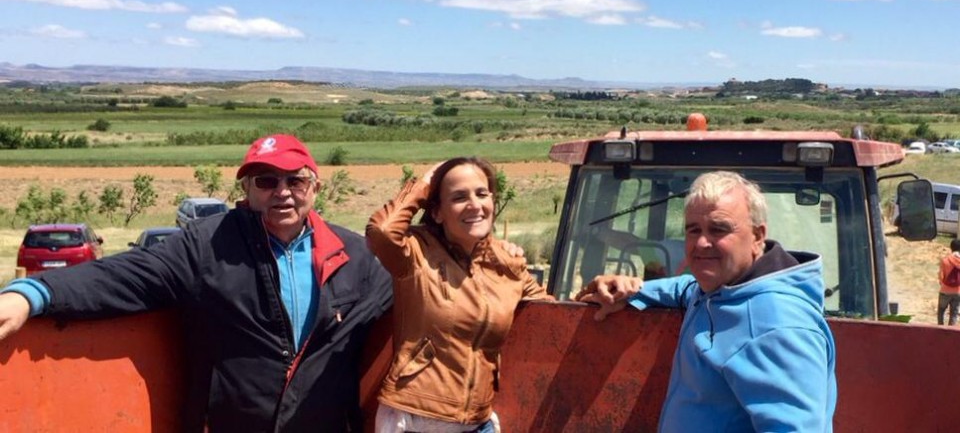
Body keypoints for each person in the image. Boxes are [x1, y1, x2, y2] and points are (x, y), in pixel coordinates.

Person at [0, 134, 393, 432]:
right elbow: (125, 275)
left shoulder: (357, 256)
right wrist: (32, 294)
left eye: (296, 180)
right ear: (247, 191)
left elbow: (421, 292)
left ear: (316, 188)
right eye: (266, 181)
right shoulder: (206, 245)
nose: (283, 192)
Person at [577, 171, 837, 432]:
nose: (702, 242)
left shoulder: (779, 326)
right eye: (693, 230)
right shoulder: (722, 291)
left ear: (757, 237)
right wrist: (633, 290)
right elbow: (686, 288)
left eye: (718, 229)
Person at [366, 157, 551, 433]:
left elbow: (553, 310)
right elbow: (381, 232)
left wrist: (600, 291)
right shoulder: (416, 254)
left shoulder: (508, 263)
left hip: (478, 422)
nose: (475, 205)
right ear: (438, 212)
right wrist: (423, 185)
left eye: (482, 193)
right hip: (418, 421)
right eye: (459, 197)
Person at [936, 238, 960, 325]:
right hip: (958, 291)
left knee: (941, 311)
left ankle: (940, 329)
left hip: (945, 290)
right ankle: (951, 332)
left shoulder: (945, 260)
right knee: (954, 313)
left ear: (951, 248)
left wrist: (943, 284)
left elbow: (941, 277)